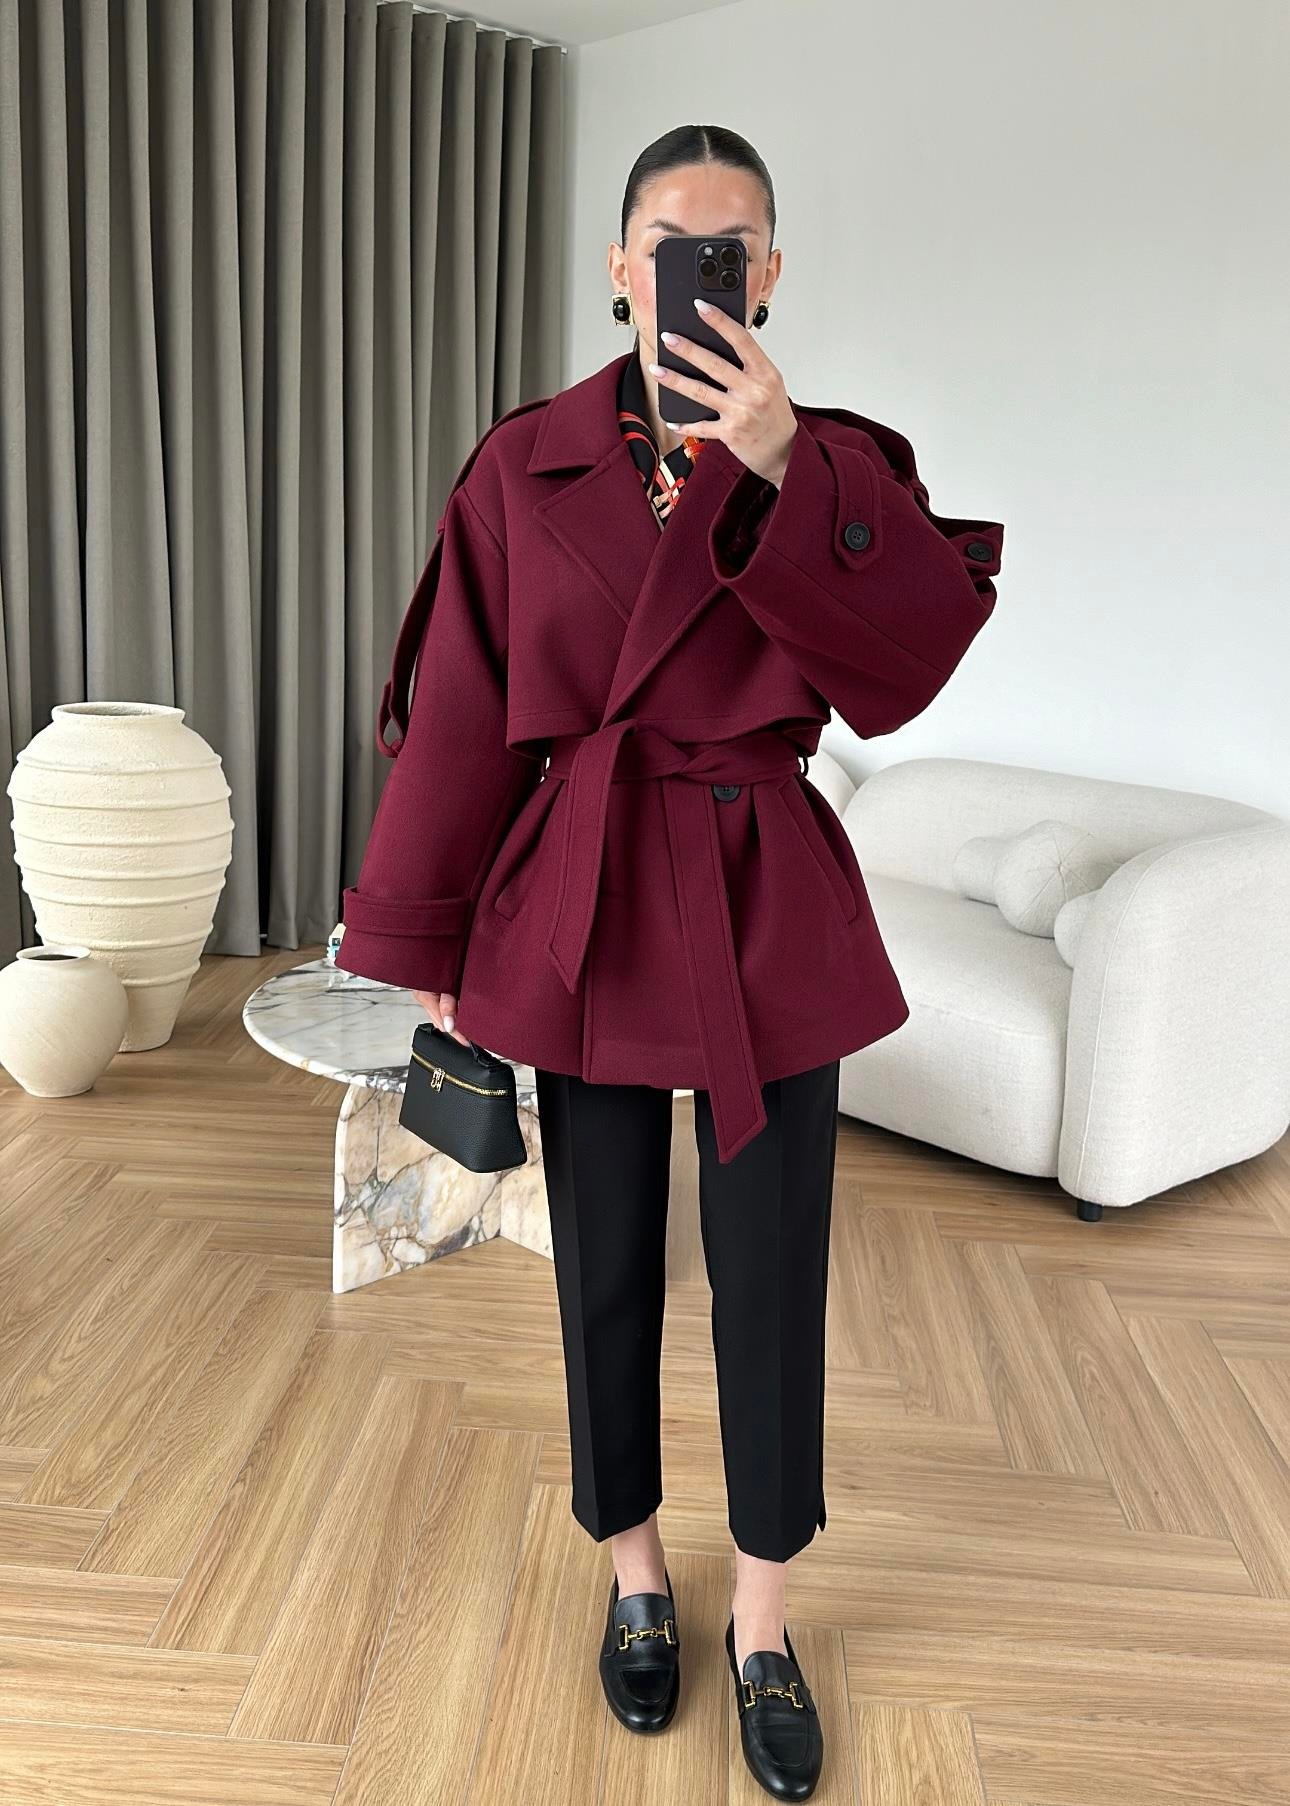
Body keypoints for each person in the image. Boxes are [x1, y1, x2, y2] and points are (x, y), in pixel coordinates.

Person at [336, 123, 1005, 1801]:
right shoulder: (524, 463)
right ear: (619, 265)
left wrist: (787, 473)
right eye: (663, 237)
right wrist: (422, 926)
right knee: (606, 1259)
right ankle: (637, 1575)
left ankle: (761, 1616)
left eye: (730, 243)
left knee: (774, 1269)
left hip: (761, 885)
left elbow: (911, 667)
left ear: (766, 275)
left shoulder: (843, 462)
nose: (694, 266)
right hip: (585, 890)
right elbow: (463, 709)